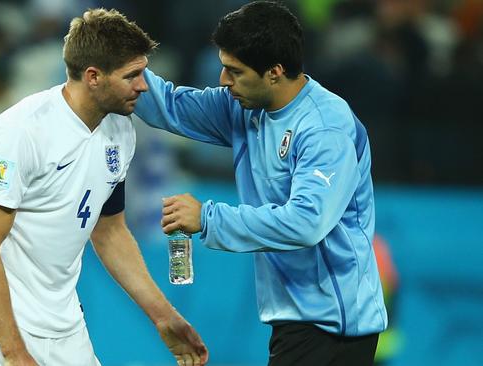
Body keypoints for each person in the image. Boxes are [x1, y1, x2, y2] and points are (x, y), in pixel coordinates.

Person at [0, 8, 208, 366]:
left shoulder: (120, 132)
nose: (144, 86)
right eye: (132, 75)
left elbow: (110, 232)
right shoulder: (22, 130)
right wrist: (13, 355)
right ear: (93, 77)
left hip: (61, 317)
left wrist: (164, 315)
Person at [133, 1, 387, 365]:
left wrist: (208, 218)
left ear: (274, 72)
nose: (223, 80)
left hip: (332, 324)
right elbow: (170, 106)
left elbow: (306, 222)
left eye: (234, 71)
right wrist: (120, 61)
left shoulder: (324, 128)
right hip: (295, 317)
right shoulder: (244, 106)